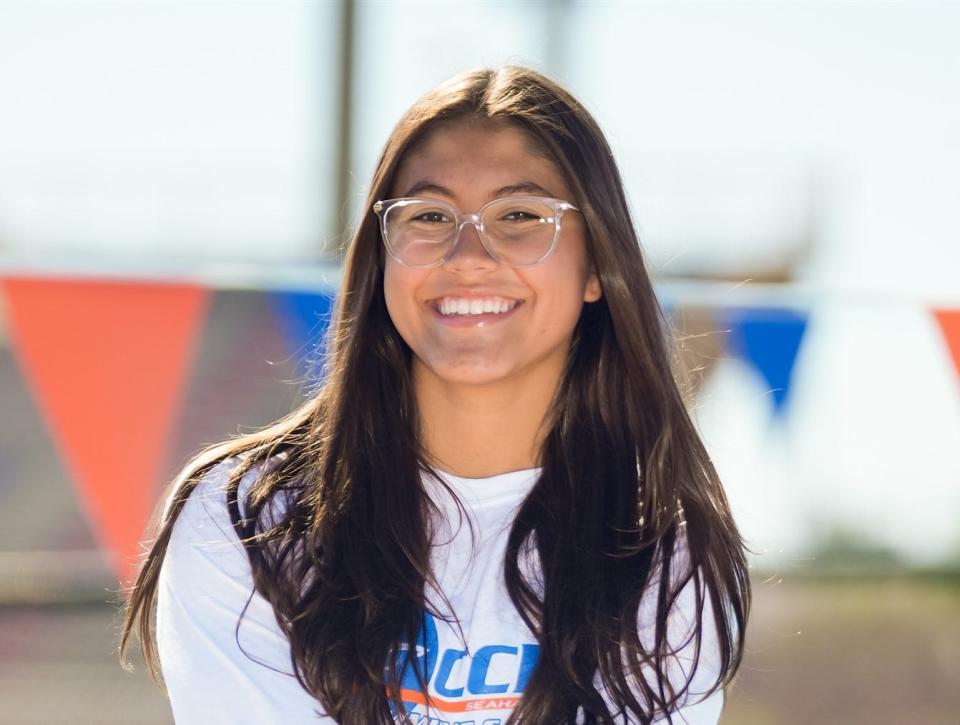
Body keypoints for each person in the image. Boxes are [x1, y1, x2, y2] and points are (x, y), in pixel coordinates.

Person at [119, 65, 750, 724]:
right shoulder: (249, 521)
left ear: (596, 265)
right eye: (428, 214)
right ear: (382, 254)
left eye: (519, 215)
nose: (468, 252)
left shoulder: (662, 547)